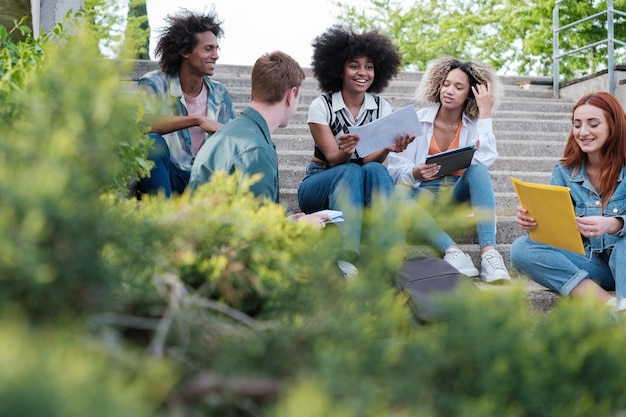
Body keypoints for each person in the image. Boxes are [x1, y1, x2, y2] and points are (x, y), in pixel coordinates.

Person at [297, 25, 414, 278]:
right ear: (339, 68)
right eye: (354, 65)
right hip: (319, 183)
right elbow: (333, 159)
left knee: (374, 168)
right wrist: (347, 150)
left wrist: (387, 147)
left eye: (369, 66)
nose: (363, 72)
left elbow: (372, 162)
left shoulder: (381, 106)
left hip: (360, 187)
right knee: (349, 168)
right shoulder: (322, 105)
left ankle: (393, 253)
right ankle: (347, 257)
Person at [387, 56, 510, 283]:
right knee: (395, 194)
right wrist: (415, 172)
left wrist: (485, 114)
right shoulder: (416, 120)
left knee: (478, 171)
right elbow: (395, 170)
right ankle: (453, 251)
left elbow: (485, 159)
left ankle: (489, 254)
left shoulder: (474, 125)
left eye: (458, 87)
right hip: (423, 195)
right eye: (446, 84)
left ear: (469, 93)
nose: (449, 90)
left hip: (457, 195)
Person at [510, 91, 626, 312]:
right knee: (520, 249)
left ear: (613, 126)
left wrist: (615, 224)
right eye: (577, 124)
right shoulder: (564, 171)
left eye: (593, 124)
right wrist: (534, 223)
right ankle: (607, 305)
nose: (583, 132)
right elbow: (552, 238)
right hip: (591, 266)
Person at [189, 51, 328, 229]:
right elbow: (258, 234)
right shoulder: (255, 149)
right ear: (291, 95)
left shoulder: (231, 133)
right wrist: (297, 227)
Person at [135, 9, 237, 197]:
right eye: (208, 49)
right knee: (150, 142)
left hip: (207, 181)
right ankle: (162, 216)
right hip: (169, 175)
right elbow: (142, 124)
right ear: (185, 51)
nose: (216, 56)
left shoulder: (220, 93)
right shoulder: (154, 83)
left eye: (216, 49)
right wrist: (196, 120)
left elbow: (235, 142)